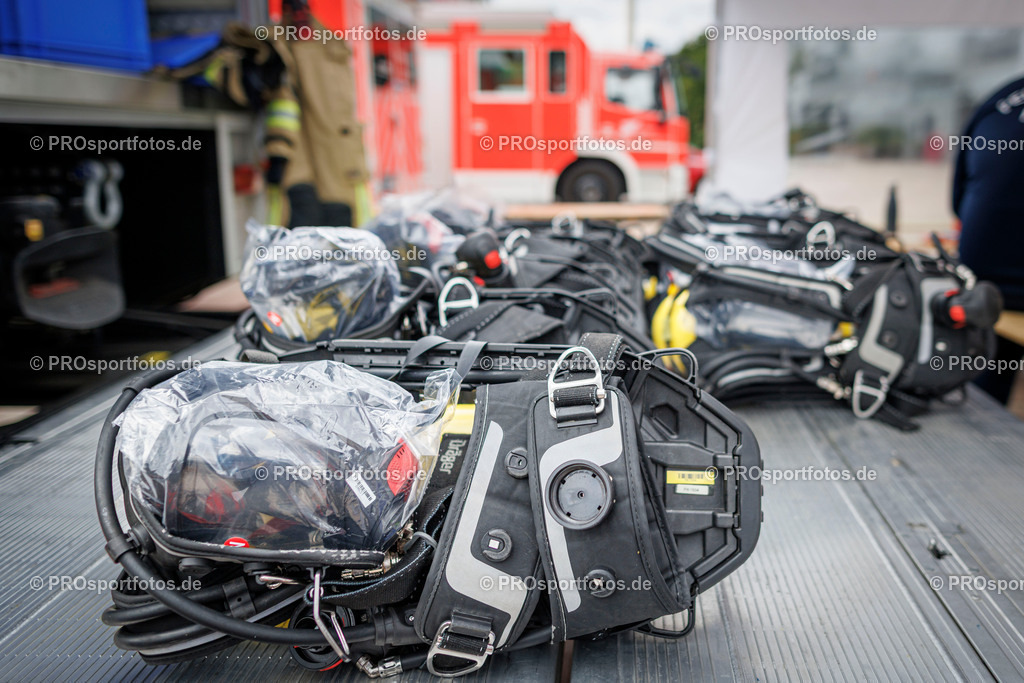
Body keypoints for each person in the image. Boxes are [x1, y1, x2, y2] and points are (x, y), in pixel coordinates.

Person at [953, 75, 1024, 403]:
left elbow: (957, 200)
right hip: (1003, 290)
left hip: (978, 280)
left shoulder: (1000, 99)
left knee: (983, 386)